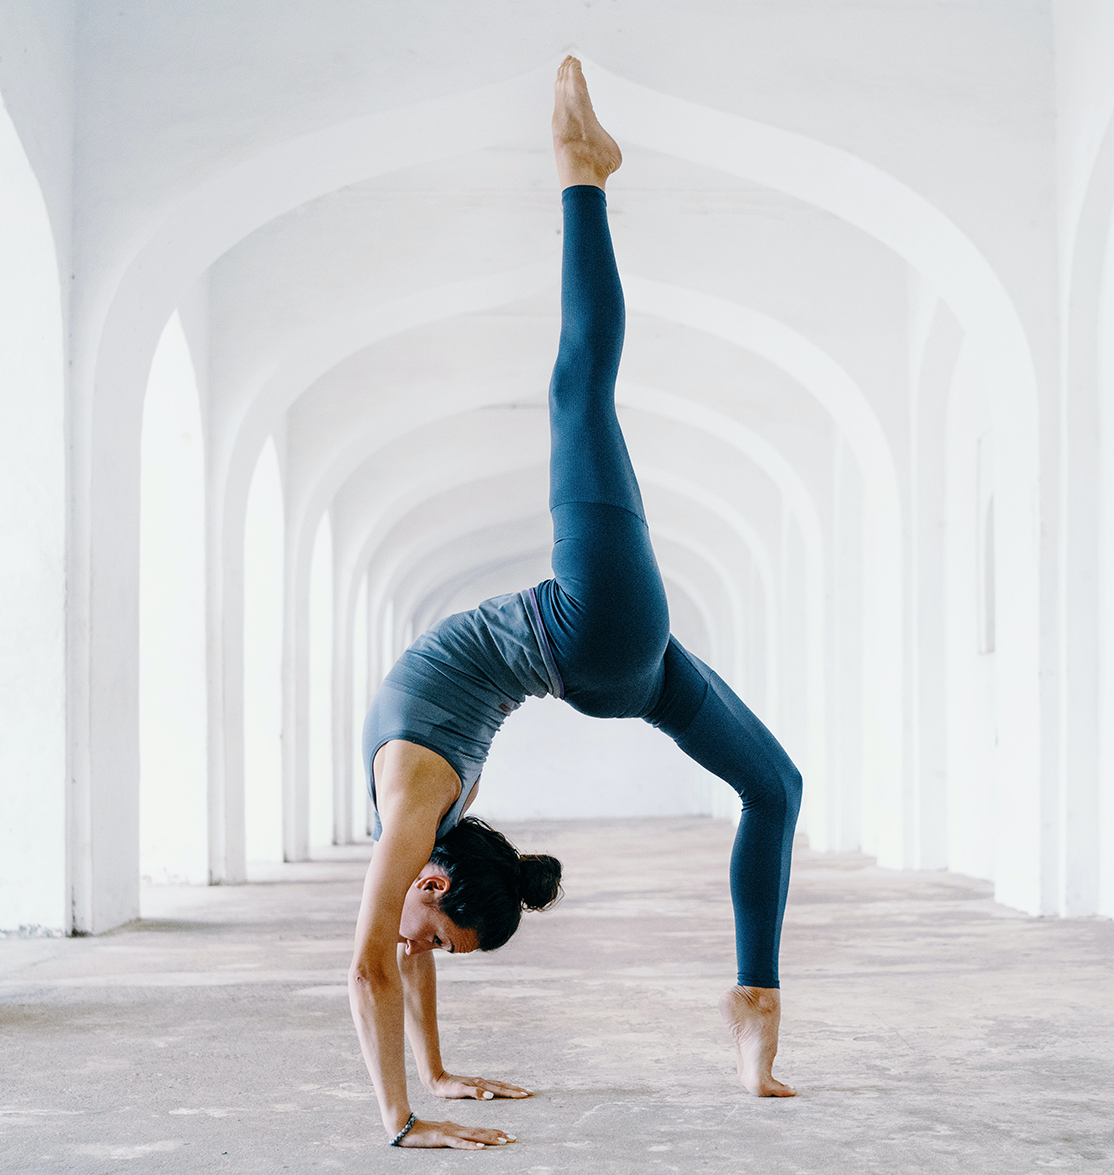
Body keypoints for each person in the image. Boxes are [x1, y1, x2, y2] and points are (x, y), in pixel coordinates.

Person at [349, 56, 803, 1150]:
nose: (426, 946)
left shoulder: (415, 806)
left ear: (437, 877)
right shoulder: (426, 837)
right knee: (578, 392)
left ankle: (754, 1010)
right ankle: (581, 176)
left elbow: (369, 960)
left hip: (602, 641)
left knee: (776, 785)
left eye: (441, 936)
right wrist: (432, 1084)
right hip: (600, 636)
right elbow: (403, 950)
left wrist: (413, 1111)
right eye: (448, 939)